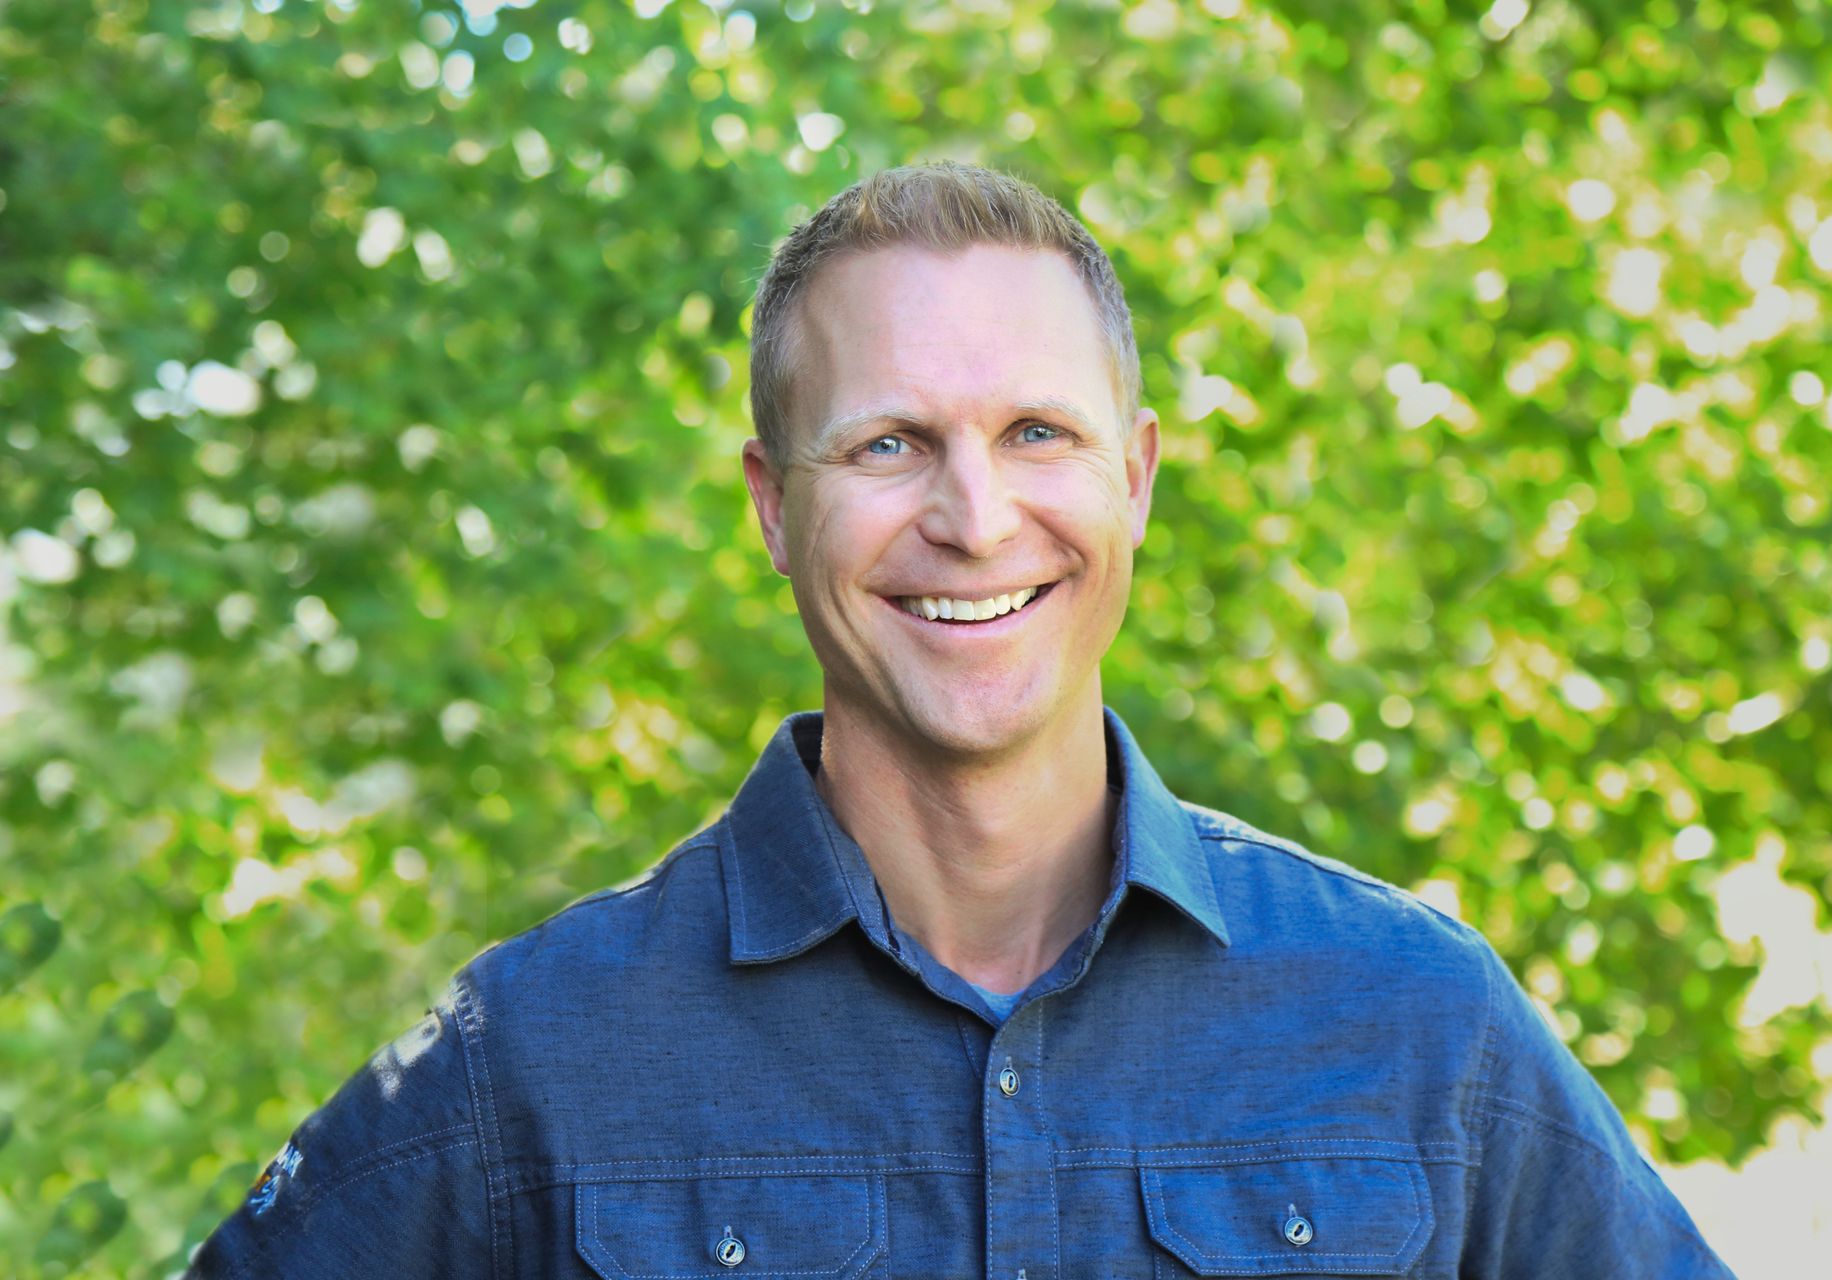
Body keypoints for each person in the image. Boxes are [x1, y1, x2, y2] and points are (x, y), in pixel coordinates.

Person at [187, 163, 1732, 1278]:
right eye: (889, 444)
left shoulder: (1415, 1024)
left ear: (1133, 479)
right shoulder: (532, 1056)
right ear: (772, 510)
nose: (975, 516)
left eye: (1036, 434)